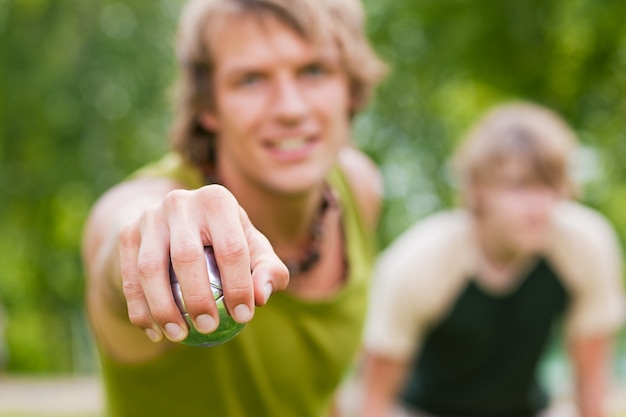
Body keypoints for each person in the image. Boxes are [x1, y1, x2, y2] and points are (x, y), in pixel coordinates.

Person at [81, 0, 387, 416]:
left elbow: (314, 387)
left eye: (314, 71)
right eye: (251, 80)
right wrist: (156, 239)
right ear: (208, 106)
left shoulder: (359, 190)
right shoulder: (146, 201)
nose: (290, 109)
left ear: (350, 86)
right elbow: (119, 236)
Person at [359, 102, 626, 417]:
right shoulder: (418, 261)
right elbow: (373, 401)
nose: (539, 205)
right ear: (478, 189)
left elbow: (591, 387)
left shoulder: (585, 244)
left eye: (549, 185)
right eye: (519, 186)